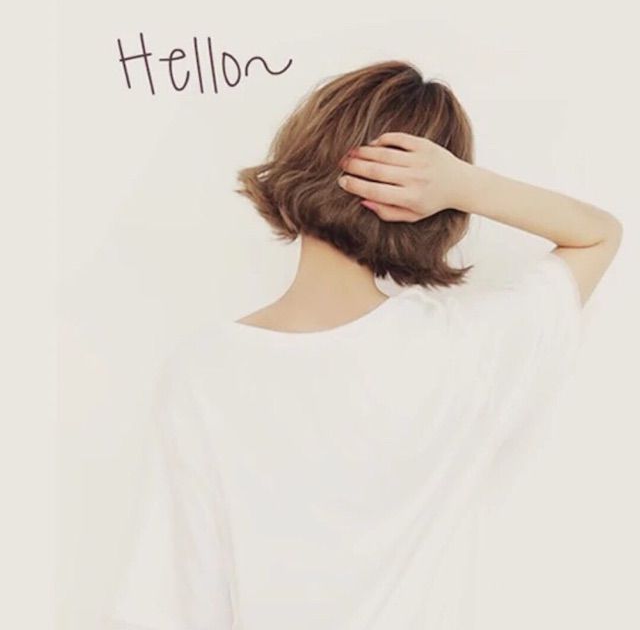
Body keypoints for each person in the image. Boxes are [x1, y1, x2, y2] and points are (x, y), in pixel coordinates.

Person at [105, 61, 622, 629]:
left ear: (309, 150)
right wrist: (464, 186)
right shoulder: (466, 348)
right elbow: (598, 235)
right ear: (434, 213)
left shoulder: (204, 372)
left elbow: (174, 600)